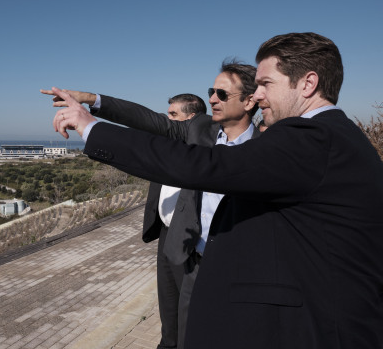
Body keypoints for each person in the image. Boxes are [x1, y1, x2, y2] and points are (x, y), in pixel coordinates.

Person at [49, 32, 383, 349]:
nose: (259, 94)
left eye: (266, 83)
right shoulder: (336, 136)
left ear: (308, 83)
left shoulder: (312, 138)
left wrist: (90, 128)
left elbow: (206, 166)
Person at [42, 60, 260, 348]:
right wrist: (91, 101)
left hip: (233, 268)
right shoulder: (200, 129)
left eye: (222, 94)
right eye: (211, 92)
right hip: (191, 256)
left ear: (249, 101)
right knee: (179, 334)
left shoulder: (265, 149)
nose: (212, 99)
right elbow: (147, 120)